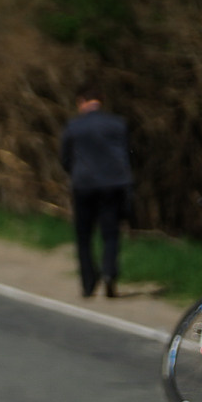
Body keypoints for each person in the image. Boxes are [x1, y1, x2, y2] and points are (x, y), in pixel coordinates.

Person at [60, 91, 133, 297]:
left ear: (81, 101)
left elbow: (65, 157)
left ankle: (88, 283)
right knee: (111, 233)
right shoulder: (118, 123)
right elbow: (127, 154)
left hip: (84, 185)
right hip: (113, 185)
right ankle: (109, 273)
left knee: (84, 236)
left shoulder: (74, 126)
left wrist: (75, 173)